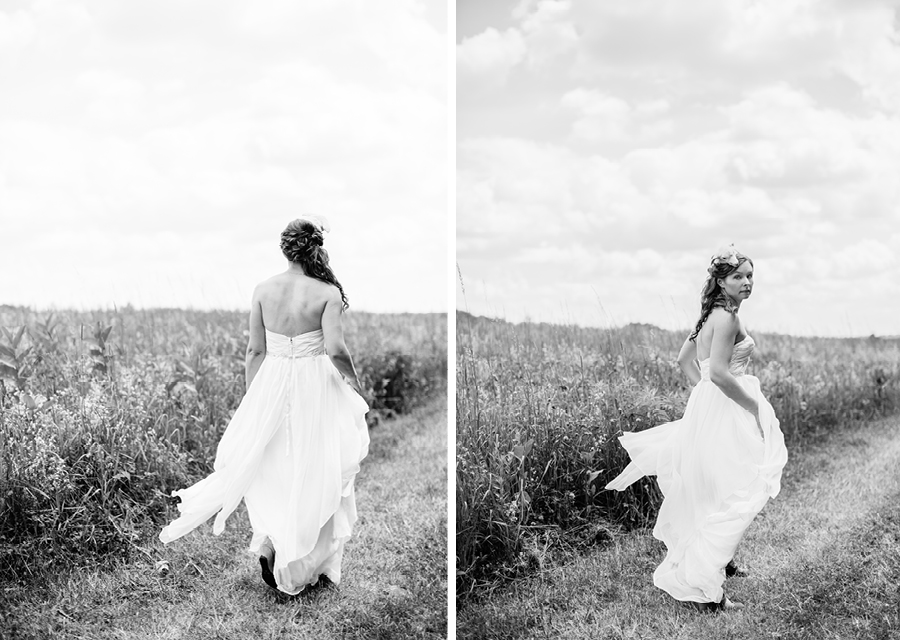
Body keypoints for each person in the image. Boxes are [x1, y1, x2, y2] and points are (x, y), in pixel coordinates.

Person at [159, 216, 370, 595]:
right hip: (315, 385)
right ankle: (297, 557)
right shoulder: (326, 293)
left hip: (272, 382)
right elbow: (336, 349)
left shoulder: (262, 289)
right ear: (316, 248)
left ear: (285, 248)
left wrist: (252, 397)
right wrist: (353, 380)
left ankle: (274, 542)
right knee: (316, 462)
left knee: (275, 463)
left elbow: (255, 349)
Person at [605, 244, 788, 612]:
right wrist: (753, 406)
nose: (747, 282)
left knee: (717, 486)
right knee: (737, 487)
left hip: (710, 407)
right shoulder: (727, 319)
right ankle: (709, 587)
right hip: (727, 405)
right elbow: (720, 373)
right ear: (721, 281)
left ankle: (723, 560)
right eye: (738, 276)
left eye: (750, 276)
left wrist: (702, 393)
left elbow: (685, 360)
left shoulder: (709, 317)